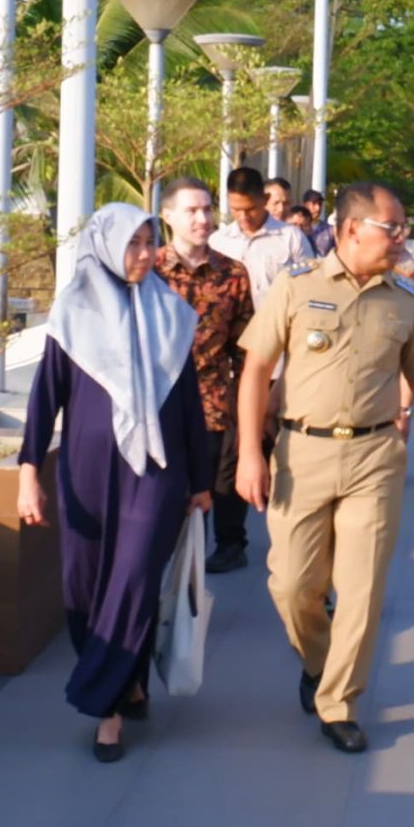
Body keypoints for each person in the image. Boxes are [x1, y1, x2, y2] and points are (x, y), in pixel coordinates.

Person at [235, 181, 414, 754]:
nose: (401, 238)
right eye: (392, 228)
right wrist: (247, 455)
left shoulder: (405, 299)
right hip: (300, 453)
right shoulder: (296, 286)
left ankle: (338, 702)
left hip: (375, 456)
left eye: (402, 228)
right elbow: (257, 371)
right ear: (350, 229)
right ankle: (319, 662)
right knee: (291, 586)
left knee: (360, 592)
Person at [14, 203, 210, 764]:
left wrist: (200, 480)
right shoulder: (73, 313)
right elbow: (44, 396)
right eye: (134, 243)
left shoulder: (171, 313)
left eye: (150, 242)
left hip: (158, 473)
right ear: (104, 246)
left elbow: (190, 406)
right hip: (87, 471)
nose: (145, 254)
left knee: (132, 576)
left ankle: (107, 709)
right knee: (84, 585)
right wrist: (29, 473)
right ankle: (131, 679)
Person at [153, 178, 258, 576]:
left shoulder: (232, 273)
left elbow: (245, 347)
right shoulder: (151, 272)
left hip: (214, 401)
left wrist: (252, 405)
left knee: (220, 482)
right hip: (159, 403)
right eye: (191, 211)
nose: (202, 218)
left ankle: (230, 545)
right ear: (168, 216)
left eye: (207, 209)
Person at [211, 166, 307, 304]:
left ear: (265, 199)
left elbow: (308, 287)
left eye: (250, 209)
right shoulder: (218, 242)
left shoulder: (292, 238)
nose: (244, 217)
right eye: (236, 209)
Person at [299, 189, 334, 257]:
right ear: (305, 204)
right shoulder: (296, 227)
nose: (318, 208)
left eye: (320, 204)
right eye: (314, 203)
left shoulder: (329, 230)